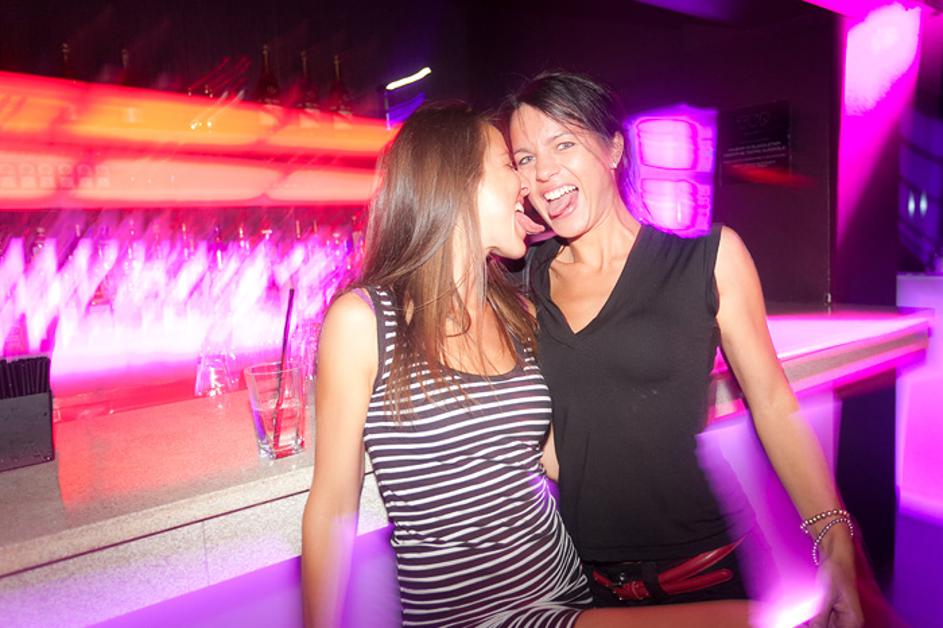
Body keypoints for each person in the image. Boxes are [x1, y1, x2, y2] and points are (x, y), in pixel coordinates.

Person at [301, 102, 753, 627]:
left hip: (571, 587)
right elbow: (334, 503)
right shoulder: (364, 321)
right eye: (509, 164)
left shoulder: (518, 312)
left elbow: (558, 460)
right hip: (472, 614)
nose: (527, 182)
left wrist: (668, 464)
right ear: (458, 182)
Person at [504, 72, 863, 628]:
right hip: (587, 591)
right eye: (525, 158)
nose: (543, 171)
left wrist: (833, 534)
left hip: (710, 574)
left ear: (614, 149)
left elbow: (773, 403)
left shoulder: (707, 259)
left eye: (564, 143)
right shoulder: (524, 280)